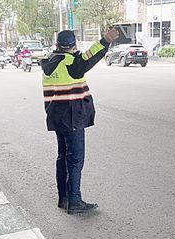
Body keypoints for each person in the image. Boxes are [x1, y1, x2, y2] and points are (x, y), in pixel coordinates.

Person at [41, 28, 119, 215]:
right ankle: (74, 200)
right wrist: (105, 41)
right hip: (71, 116)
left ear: (57, 45)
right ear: (73, 44)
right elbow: (90, 57)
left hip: (57, 116)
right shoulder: (71, 63)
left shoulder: (50, 63)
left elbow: (84, 58)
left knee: (62, 156)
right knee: (75, 159)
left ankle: (64, 197)